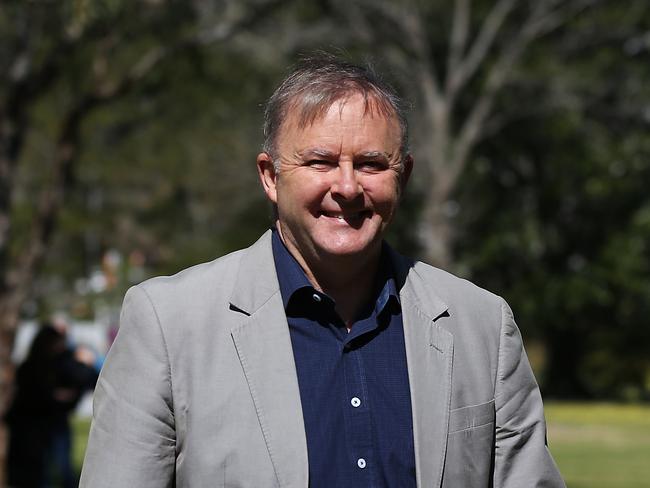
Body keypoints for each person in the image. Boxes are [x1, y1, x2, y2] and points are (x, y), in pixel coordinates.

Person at [80, 54, 565, 487]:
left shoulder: (481, 324)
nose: (348, 186)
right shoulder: (169, 324)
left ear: (405, 176)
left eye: (372, 163)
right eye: (320, 161)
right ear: (270, 177)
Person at [5, 322, 98, 487]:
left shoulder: (64, 360)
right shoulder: (32, 366)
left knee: (63, 469)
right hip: (35, 426)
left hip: (55, 422)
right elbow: (32, 394)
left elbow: (86, 378)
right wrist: (53, 395)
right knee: (40, 470)